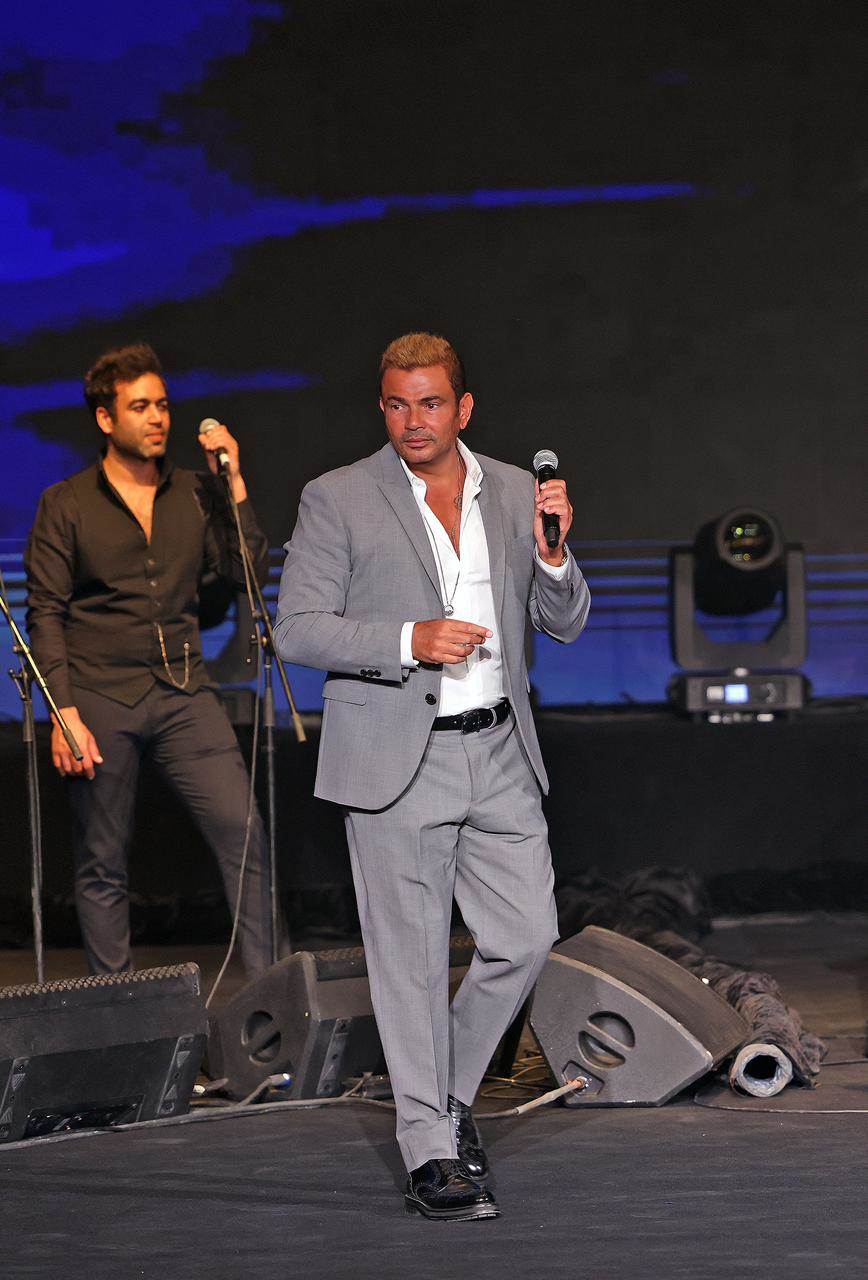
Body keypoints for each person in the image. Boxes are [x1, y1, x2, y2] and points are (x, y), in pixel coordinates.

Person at [274, 332, 590, 1221]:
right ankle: (430, 1152)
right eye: (397, 404)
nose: (413, 421)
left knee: (526, 937)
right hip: (396, 759)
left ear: (464, 407)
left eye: (431, 403)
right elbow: (297, 628)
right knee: (409, 965)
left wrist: (555, 557)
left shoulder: (517, 491)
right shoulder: (338, 496)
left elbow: (565, 621)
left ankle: (443, 1099)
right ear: (382, 407)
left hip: (501, 752)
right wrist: (408, 640)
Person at [25, 342, 278, 977]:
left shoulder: (194, 492)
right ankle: (121, 1014)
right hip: (100, 696)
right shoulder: (67, 503)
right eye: (140, 407)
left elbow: (245, 575)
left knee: (244, 835)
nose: (157, 418)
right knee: (102, 861)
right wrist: (63, 712)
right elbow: (45, 613)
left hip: (185, 691)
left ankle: (274, 1005)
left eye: (162, 405)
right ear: (105, 418)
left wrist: (233, 483)